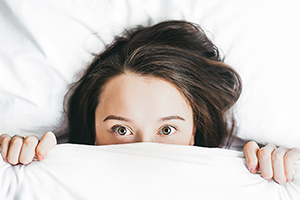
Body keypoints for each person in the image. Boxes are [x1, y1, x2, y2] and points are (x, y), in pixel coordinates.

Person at [0, 20, 299, 185]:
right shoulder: (48, 176)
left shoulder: (245, 177)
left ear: (196, 130)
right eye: (121, 130)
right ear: (92, 130)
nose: (144, 149)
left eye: (167, 130)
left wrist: (288, 169)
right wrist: (13, 160)